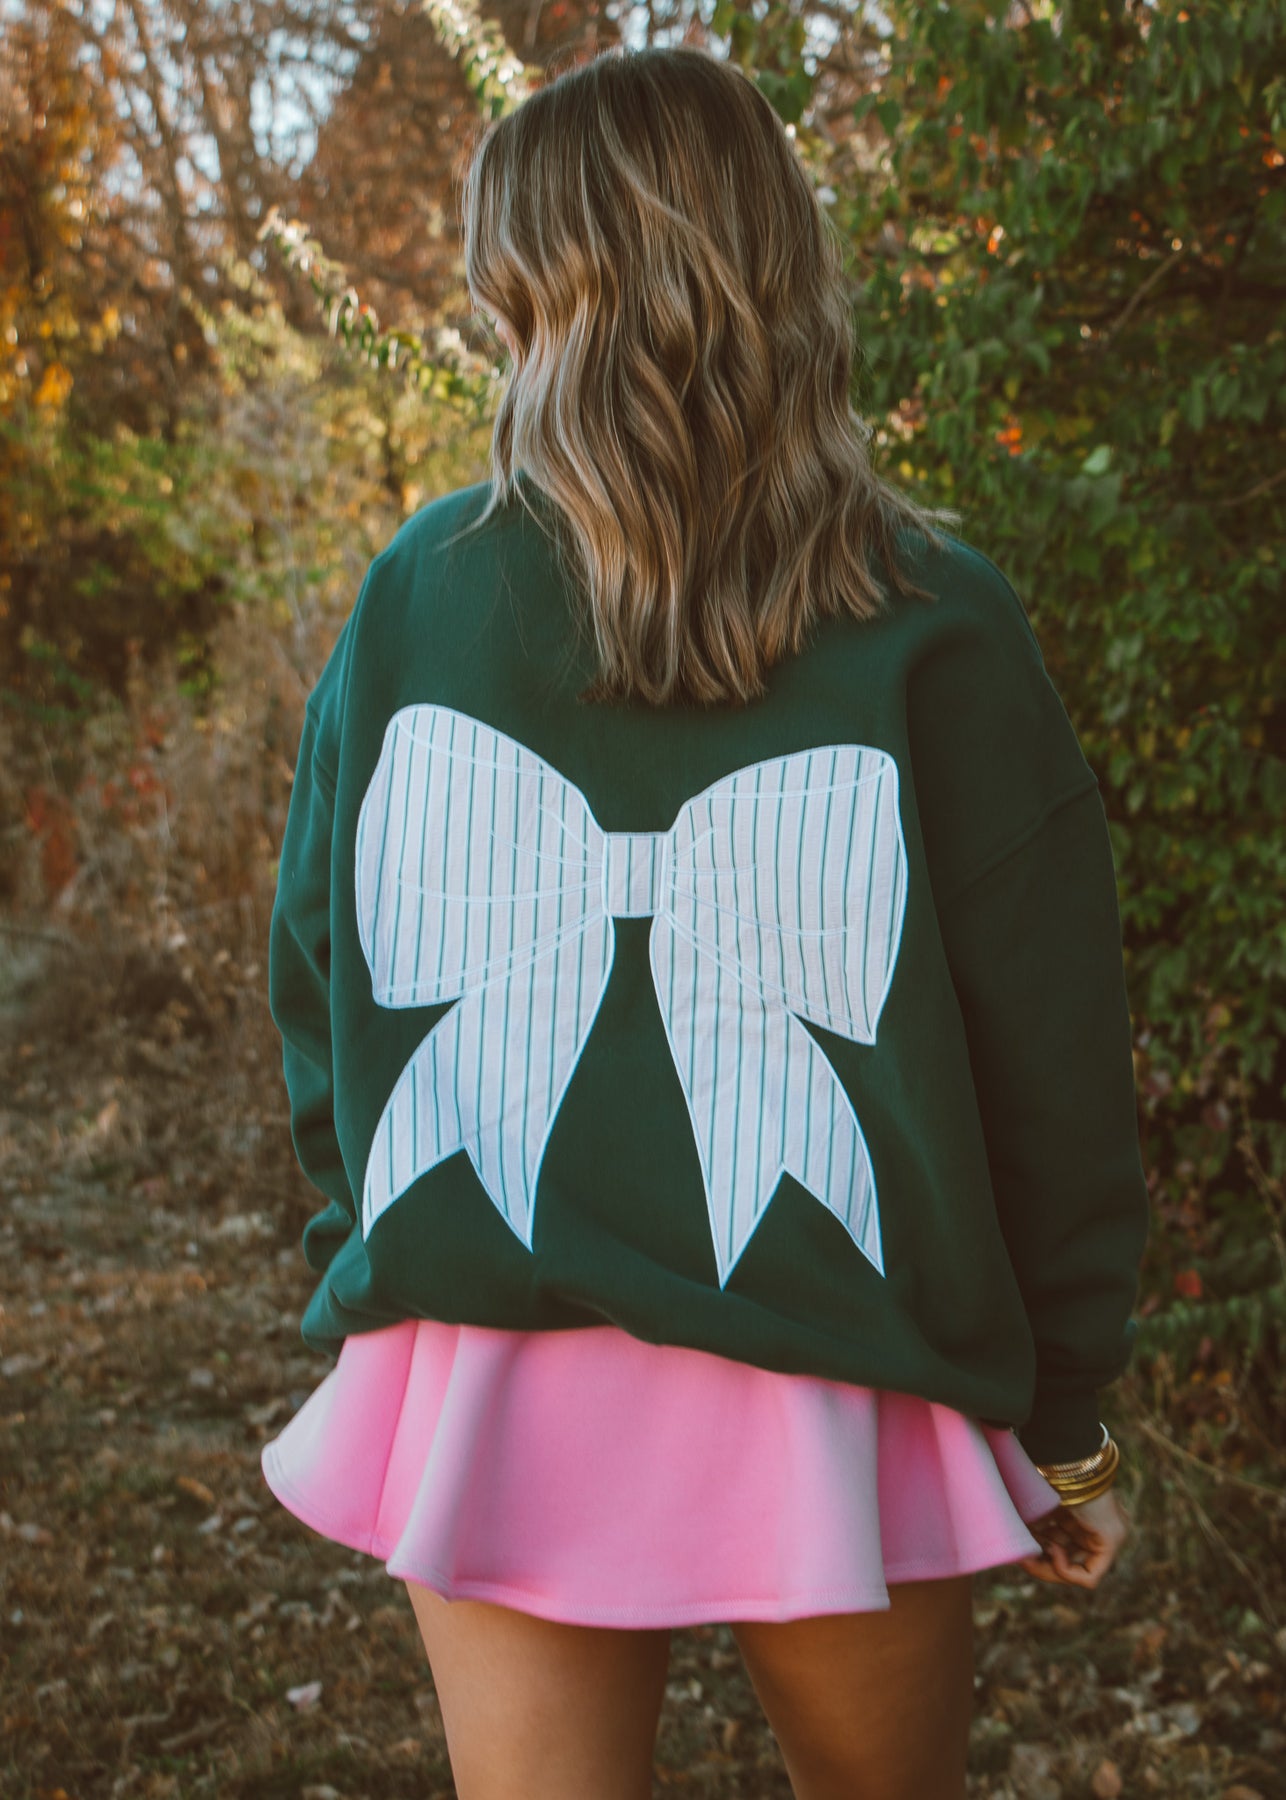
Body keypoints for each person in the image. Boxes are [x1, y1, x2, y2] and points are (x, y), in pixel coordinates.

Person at [261, 43, 1150, 1800]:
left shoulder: (418, 593)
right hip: (840, 1365)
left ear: (531, 290)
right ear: (780, 263)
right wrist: (1067, 1417)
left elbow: (321, 973)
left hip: (499, 1354)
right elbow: (1052, 1065)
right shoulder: (935, 614)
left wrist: (367, 1249)